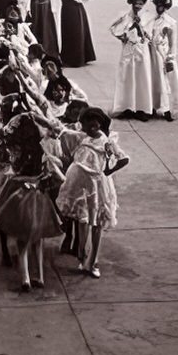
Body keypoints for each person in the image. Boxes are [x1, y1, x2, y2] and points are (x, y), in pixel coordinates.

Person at [0, 113, 66, 292]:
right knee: (38, 239)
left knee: (22, 240)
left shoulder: (13, 150)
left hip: (17, 191)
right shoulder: (43, 152)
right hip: (38, 195)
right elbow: (59, 177)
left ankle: (25, 278)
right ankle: (39, 276)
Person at [55, 106, 129, 278]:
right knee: (83, 221)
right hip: (81, 184)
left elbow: (123, 158)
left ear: (100, 124)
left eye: (94, 125)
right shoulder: (82, 137)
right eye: (87, 125)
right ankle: (83, 255)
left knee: (97, 224)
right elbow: (64, 134)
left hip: (98, 185)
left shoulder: (106, 142)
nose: (91, 128)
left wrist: (109, 171)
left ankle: (93, 260)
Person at [110, 0, 153, 122]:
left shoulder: (147, 17)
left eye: (140, 4)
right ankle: (127, 107)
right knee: (126, 78)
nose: (138, 6)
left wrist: (141, 29)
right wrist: (123, 35)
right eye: (136, 3)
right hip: (128, 49)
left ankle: (143, 109)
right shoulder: (125, 16)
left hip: (141, 49)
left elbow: (149, 36)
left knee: (142, 78)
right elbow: (114, 29)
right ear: (131, 4)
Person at [147, 0, 178, 121]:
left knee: (166, 81)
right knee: (153, 80)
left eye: (162, 6)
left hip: (162, 53)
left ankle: (168, 109)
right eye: (157, 5)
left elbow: (173, 42)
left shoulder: (170, 22)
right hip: (151, 52)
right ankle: (153, 105)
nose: (159, 8)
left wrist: (170, 57)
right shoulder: (152, 19)